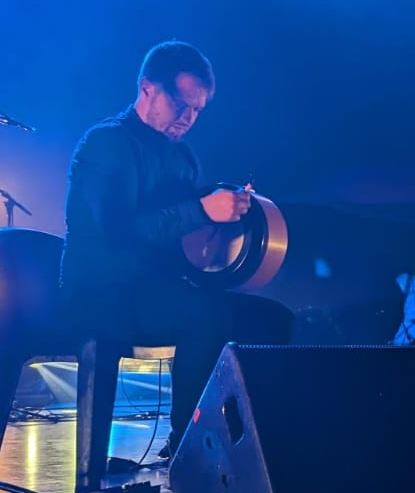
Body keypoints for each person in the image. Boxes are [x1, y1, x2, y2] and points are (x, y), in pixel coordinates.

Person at [61, 41, 293, 462]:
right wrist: (201, 210)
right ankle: (190, 451)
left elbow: (187, 241)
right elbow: (115, 232)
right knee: (202, 316)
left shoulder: (184, 158)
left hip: (161, 291)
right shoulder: (106, 143)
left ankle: (252, 452)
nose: (188, 118)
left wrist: (228, 223)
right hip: (102, 291)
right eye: (180, 104)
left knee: (271, 320)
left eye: (198, 110)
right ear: (147, 88)